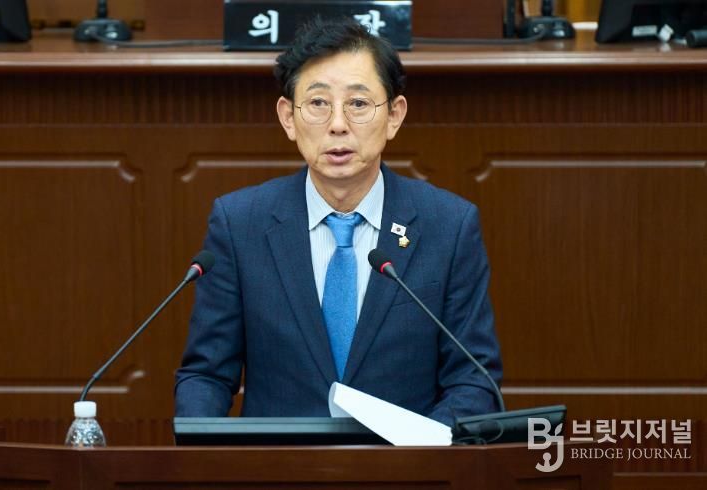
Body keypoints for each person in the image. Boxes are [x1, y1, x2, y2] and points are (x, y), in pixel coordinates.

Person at [174, 16, 502, 427]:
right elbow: (206, 375)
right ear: (288, 117)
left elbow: (474, 379)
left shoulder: (449, 226)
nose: (338, 125)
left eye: (358, 104)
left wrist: (420, 451)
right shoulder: (240, 224)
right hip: (278, 461)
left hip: (405, 462)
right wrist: (202, 451)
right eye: (318, 103)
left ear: (394, 115)